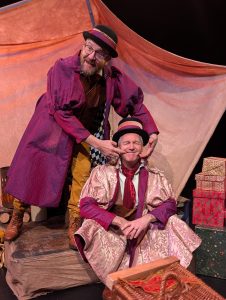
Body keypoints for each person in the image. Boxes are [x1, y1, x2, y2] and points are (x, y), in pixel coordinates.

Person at [4, 25, 159, 249]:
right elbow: (61, 112)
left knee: (82, 174)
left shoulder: (110, 77)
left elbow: (134, 103)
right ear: (83, 45)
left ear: (107, 59)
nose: (90, 56)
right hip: (50, 130)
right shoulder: (62, 68)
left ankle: (74, 223)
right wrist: (97, 143)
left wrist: (151, 130)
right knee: (33, 169)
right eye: (88, 48)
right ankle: (18, 214)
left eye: (98, 53)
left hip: (85, 133)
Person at [74, 117, 201, 284]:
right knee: (89, 225)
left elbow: (170, 204)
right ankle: (114, 279)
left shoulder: (154, 175)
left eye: (136, 142)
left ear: (142, 148)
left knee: (173, 221)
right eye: (126, 143)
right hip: (113, 230)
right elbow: (86, 206)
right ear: (118, 147)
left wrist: (145, 220)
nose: (131, 147)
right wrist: (118, 221)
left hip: (143, 230)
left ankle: (165, 274)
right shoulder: (102, 173)